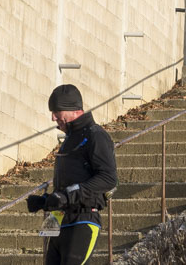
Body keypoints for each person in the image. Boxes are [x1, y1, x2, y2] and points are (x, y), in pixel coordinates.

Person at [25, 84, 117, 265]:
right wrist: (46, 201)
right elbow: (68, 185)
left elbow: (108, 178)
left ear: (72, 109)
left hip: (83, 220)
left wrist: (67, 195)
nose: (53, 117)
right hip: (59, 220)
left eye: (57, 111)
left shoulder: (95, 135)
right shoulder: (69, 139)